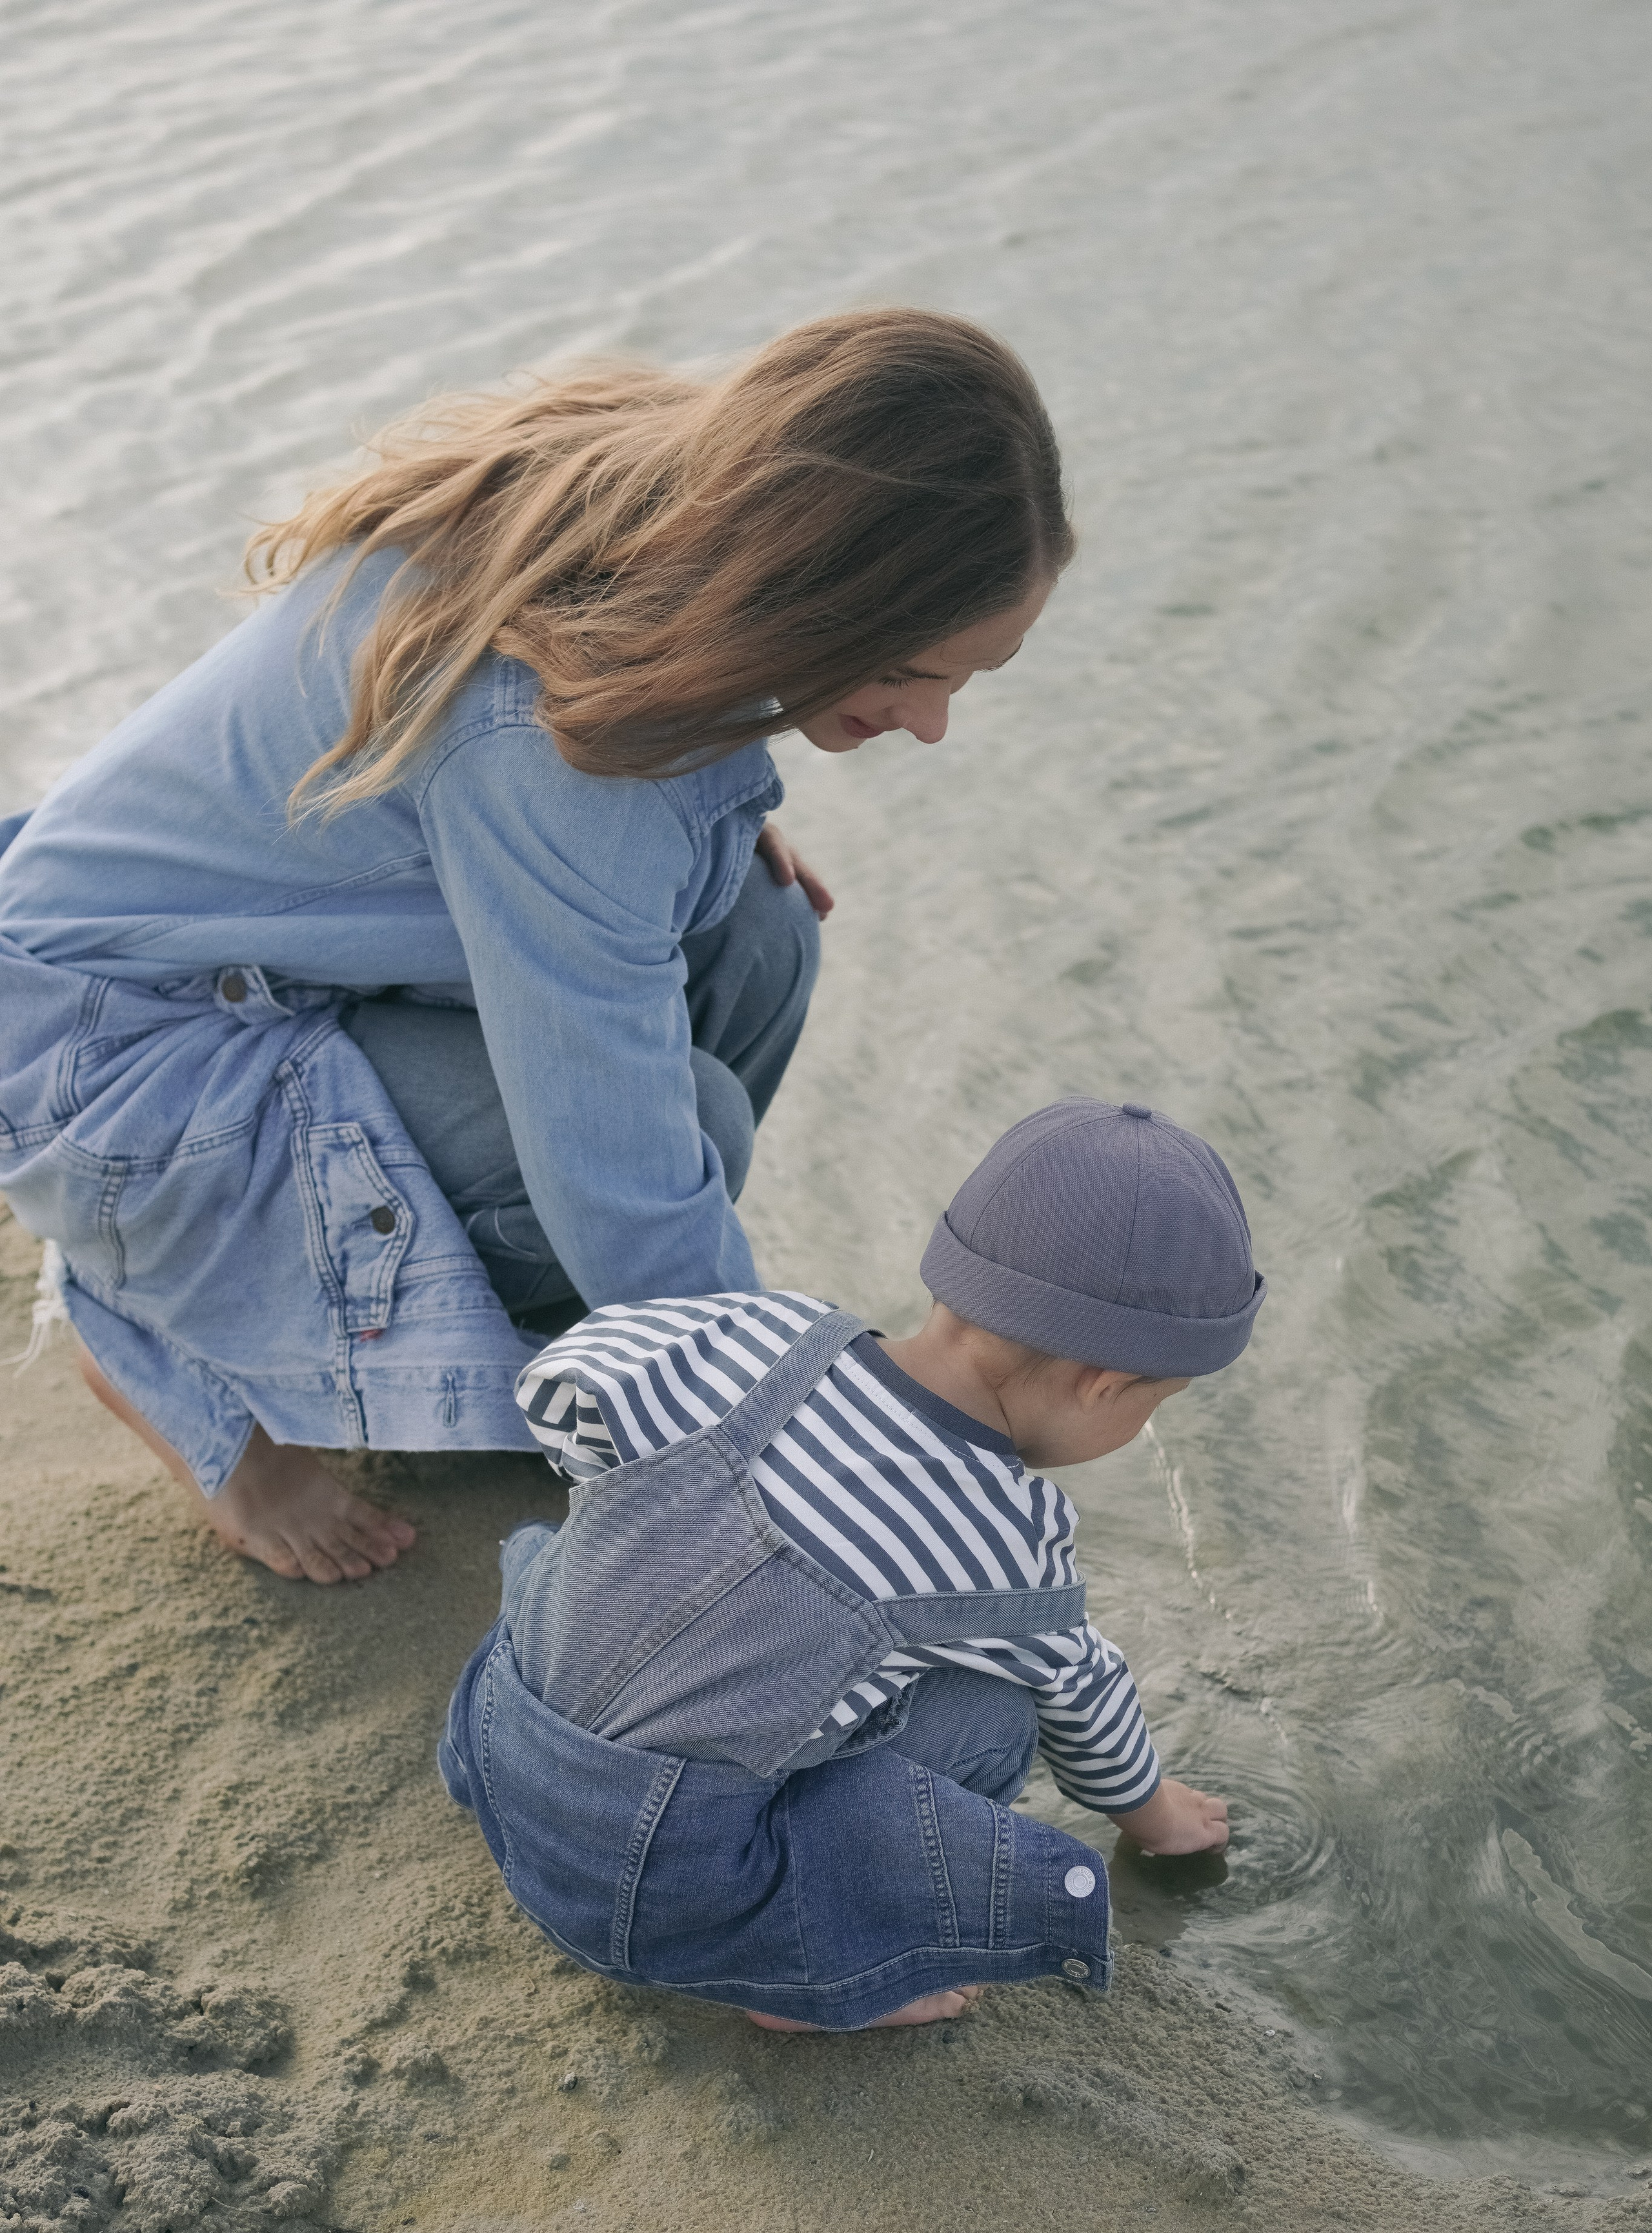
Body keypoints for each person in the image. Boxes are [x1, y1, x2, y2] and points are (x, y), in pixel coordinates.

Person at [0, 311, 1071, 1584]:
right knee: (688, 1128)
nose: (932, 725)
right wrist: (790, 1463)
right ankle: (178, 1357)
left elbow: (604, 843)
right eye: (907, 671)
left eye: (965, 681)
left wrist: (707, 839)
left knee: (757, 936)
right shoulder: (549, 754)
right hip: (105, 1065)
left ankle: (546, 1361)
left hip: (238, 968)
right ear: (806, 584)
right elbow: (624, 1182)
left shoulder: (659, 498)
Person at [439, 1096, 1264, 2032]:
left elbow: (574, 1370)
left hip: (503, 1748)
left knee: (569, 1559)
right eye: (1155, 1404)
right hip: (655, 1903)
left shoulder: (773, 1333)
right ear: (1103, 1387)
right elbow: (1081, 1694)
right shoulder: (1006, 1535)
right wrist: (1155, 1817)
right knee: (1001, 1713)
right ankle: (809, 1974)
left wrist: (643, 1537)